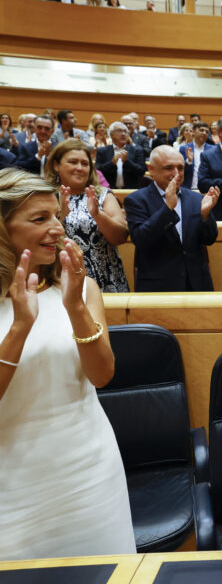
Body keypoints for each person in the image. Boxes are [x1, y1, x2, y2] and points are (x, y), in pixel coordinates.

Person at [0, 167, 135, 560]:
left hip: (89, 471)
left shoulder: (80, 287)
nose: (57, 228)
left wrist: (75, 307)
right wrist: (21, 326)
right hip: (12, 481)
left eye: (56, 215)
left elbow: (102, 375)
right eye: (39, 219)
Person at [124, 146, 219, 292]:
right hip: (158, 287)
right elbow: (141, 239)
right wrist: (167, 208)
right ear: (151, 169)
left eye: (180, 168)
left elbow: (210, 239)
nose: (176, 174)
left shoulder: (196, 198)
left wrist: (205, 216)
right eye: (169, 168)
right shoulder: (136, 200)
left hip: (197, 284)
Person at [46, 139, 128, 293]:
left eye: (85, 163)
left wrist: (97, 214)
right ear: (56, 165)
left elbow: (121, 237)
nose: (79, 168)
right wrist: (59, 217)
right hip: (60, 281)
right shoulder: (45, 196)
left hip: (106, 281)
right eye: (73, 162)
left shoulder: (101, 195)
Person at [95, 121, 146, 189]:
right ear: (111, 134)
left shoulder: (137, 150)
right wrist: (112, 163)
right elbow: (97, 172)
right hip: (108, 191)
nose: (123, 134)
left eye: (125, 132)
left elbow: (142, 171)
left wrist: (127, 161)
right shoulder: (103, 151)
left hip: (130, 191)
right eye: (119, 131)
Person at [178, 121, 214, 190]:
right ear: (193, 132)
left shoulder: (213, 149)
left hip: (207, 190)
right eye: (201, 130)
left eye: (207, 131)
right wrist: (189, 161)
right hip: (189, 188)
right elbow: (180, 170)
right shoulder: (184, 148)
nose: (204, 133)